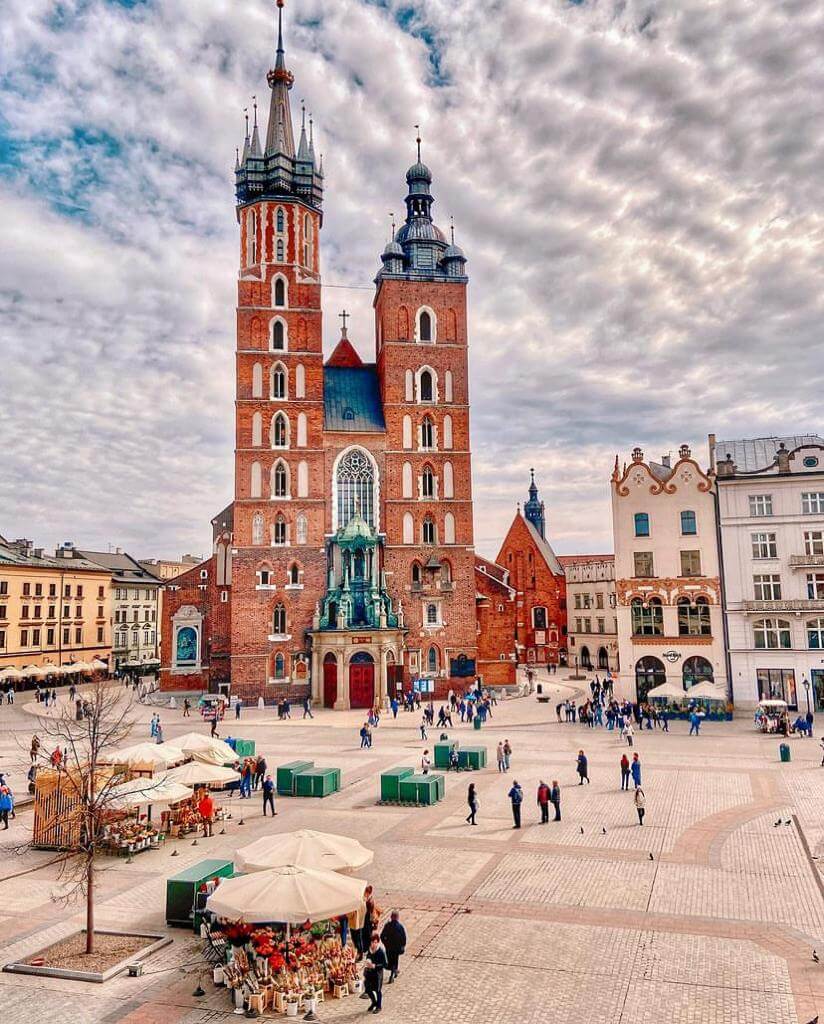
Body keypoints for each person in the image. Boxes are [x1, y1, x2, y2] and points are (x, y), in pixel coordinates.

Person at [363, 932, 387, 1013]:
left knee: (378, 990)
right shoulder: (370, 950)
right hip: (369, 973)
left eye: (375, 942)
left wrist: (375, 966)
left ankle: (379, 1006)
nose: (374, 944)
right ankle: (374, 1002)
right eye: (372, 942)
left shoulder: (381, 951)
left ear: (378, 942)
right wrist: (368, 961)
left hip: (377, 974)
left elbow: (385, 964)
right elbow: (368, 957)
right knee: (368, 989)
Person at [379, 911, 407, 983]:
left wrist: (385, 943)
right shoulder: (400, 927)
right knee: (395, 961)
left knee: (390, 960)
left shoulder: (387, 925)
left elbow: (382, 936)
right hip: (396, 948)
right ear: (398, 918)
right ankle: (393, 972)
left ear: (391, 917)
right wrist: (402, 946)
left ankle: (393, 972)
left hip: (389, 947)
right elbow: (403, 938)